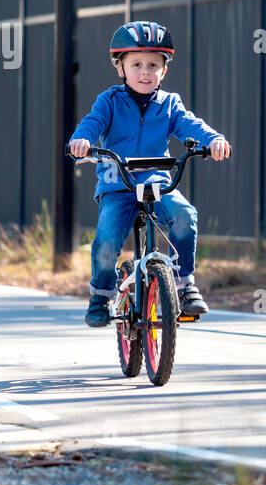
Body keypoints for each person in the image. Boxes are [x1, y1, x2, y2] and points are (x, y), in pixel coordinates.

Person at [67, 20, 231, 327]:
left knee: (184, 215)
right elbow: (91, 124)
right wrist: (82, 141)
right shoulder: (109, 101)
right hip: (118, 186)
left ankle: (184, 284)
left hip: (157, 183)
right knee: (106, 242)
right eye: (137, 64)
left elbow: (191, 125)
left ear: (163, 71)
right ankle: (100, 295)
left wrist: (214, 140)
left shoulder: (169, 104)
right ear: (121, 68)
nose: (145, 71)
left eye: (153, 65)